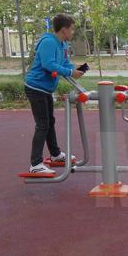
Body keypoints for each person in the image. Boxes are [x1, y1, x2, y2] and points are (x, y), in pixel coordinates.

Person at [24, 14, 84, 174]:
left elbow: (63, 64)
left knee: (50, 121)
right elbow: (49, 65)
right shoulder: (49, 42)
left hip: (45, 89)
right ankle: (35, 165)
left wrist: (75, 69)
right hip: (35, 87)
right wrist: (70, 71)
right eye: (71, 29)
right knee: (43, 124)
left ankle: (55, 154)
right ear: (64, 30)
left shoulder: (62, 44)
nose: (72, 32)